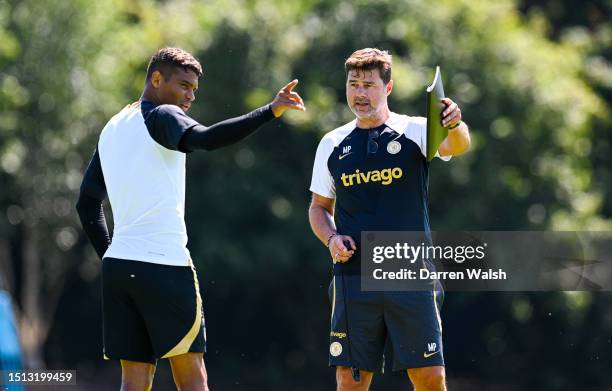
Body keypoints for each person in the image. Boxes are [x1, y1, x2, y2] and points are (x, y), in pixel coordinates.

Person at [76, 47, 305, 391]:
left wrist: (110, 254)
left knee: (134, 378)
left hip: (119, 270)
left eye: (194, 90)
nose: (190, 96)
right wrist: (269, 111)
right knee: (192, 375)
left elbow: (86, 203)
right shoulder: (162, 115)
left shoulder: (113, 126)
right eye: (183, 85)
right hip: (164, 266)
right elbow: (206, 139)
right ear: (156, 79)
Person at [308, 48, 470, 391]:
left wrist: (454, 123)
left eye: (369, 84)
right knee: (350, 380)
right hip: (354, 278)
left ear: (388, 88)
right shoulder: (332, 143)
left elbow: (457, 146)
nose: (360, 93)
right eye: (353, 84)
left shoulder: (416, 130)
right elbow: (319, 208)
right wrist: (331, 239)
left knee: (429, 377)